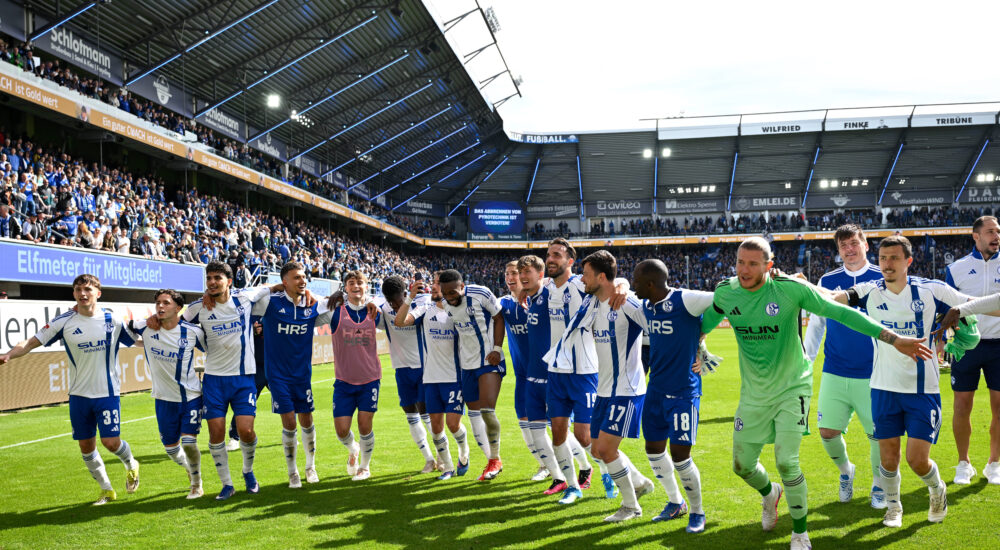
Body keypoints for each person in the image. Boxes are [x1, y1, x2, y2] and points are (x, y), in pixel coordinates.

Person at [700, 237, 933, 550]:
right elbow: (704, 322)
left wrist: (892, 338)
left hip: (792, 387)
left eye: (753, 263)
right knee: (741, 466)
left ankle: (800, 533)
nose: (744, 269)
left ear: (768, 266)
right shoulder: (726, 292)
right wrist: (698, 343)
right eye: (740, 262)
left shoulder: (789, 289)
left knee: (787, 461)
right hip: (753, 394)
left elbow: (841, 313)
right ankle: (771, 494)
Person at [820, 236, 984, 527]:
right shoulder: (869, 290)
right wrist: (798, 285)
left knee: (917, 460)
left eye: (894, 258)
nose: (887, 264)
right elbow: (831, 302)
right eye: (883, 258)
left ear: (909, 261)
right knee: (888, 459)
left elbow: (973, 304)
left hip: (923, 389)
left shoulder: (932, 289)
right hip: (883, 388)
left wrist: (963, 320)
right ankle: (894, 507)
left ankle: (936, 489)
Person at [0, 274, 139, 505]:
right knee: (86, 447)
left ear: (98, 293)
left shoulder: (112, 320)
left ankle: (131, 463)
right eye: (77, 290)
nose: (82, 294)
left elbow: (137, 341)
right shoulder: (63, 321)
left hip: (107, 392)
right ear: (73, 294)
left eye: (87, 289)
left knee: (111, 443)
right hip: (78, 395)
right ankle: (106, 490)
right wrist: (9, 355)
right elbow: (30, 342)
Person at [549, 250, 654, 519]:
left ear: (602, 276)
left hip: (627, 389)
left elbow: (659, 328)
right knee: (597, 449)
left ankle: (631, 506)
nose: (582, 279)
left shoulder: (627, 303)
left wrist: (697, 349)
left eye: (585, 274)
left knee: (607, 449)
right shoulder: (593, 304)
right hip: (603, 389)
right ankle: (640, 483)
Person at [174, 261, 274, 500]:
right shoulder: (198, 306)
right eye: (208, 278)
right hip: (214, 380)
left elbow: (273, 286)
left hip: (243, 378)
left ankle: (248, 472)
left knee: (246, 431)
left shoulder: (245, 298)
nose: (211, 282)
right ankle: (227, 484)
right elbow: (176, 322)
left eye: (217, 278)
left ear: (229, 281)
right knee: (216, 434)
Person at [802, 224, 886, 507]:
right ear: (838, 251)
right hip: (835, 370)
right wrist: (806, 362)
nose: (849, 250)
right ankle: (846, 471)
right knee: (827, 432)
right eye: (843, 246)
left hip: (874, 372)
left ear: (865, 244)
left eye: (854, 243)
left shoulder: (882, 277)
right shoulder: (828, 279)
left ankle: (879, 483)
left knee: (877, 434)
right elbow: (817, 323)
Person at [540, 239, 630, 500]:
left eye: (557, 255)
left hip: (584, 372)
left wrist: (623, 285)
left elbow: (611, 280)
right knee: (557, 432)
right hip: (556, 371)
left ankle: (606, 471)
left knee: (584, 434)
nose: (550, 259)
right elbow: (528, 281)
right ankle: (572, 487)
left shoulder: (582, 284)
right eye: (548, 255)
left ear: (570, 261)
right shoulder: (546, 288)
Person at [632, 259, 715, 533]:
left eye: (636, 281)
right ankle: (675, 502)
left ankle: (697, 512)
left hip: (683, 392)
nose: (633, 286)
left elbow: (722, 299)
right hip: (655, 390)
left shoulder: (685, 299)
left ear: (650, 284)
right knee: (653, 449)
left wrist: (703, 340)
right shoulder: (647, 306)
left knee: (681, 456)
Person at [252, 261, 330, 488]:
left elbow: (338, 304)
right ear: (285, 282)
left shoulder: (312, 305)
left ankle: (310, 466)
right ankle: (293, 472)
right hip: (277, 375)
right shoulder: (270, 303)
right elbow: (245, 297)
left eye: (304, 277)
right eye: (296, 277)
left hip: (302, 375)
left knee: (307, 420)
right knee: (289, 423)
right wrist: (271, 287)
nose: (302, 280)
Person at [125, 289, 207, 499]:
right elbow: (125, 327)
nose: (160, 307)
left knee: (189, 442)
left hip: (191, 397)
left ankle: (196, 484)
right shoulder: (146, 327)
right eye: (158, 303)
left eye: (166, 303)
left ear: (178, 308)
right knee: (171, 449)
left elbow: (214, 350)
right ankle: (189, 469)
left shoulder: (192, 332)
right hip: (163, 400)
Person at [395, 272, 472, 480]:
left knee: (453, 425)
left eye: (440, 283)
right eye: (434, 283)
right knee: (436, 429)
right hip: (430, 379)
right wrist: (409, 297)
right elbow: (400, 321)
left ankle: (464, 453)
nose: (435, 286)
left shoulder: (458, 311)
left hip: (454, 378)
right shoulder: (424, 309)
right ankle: (447, 467)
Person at [943, 215, 1000, 485]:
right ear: (975, 236)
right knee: (962, 406)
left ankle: (994, 463)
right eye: (990, 231)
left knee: (999, 407)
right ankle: (963, 463)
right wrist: (951, 341)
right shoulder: (956, 269)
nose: (996, 236)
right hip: (967, 348)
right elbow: (948, 312)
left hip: (999, 345)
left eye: (998, 231)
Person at [439, 269, 506, 481]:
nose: (450, 297)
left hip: (489, 360)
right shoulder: (445, 303)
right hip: (467, 366)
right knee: (475, 415)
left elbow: (499, 317)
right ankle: (491, 460)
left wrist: (496, 348)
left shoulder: (480, 293)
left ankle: (495, 459)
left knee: (487, 411)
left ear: (462, 286)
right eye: (445, 293)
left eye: (453, 292)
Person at [374, 275, 438, 474]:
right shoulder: (383, 308)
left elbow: (406, 320)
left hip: (423, 367)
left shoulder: (422, 303)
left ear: (405, 294)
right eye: (390, 301)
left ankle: (443, 456)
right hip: (401, 369)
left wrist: (409, 299)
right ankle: (429, 459)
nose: (393, 305)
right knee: (410, 414)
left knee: (425, 412)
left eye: (397, 300)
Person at [519, 255, 565, 494]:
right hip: (532, 376)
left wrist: (621, 284)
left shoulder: (551, 293)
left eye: (528, 272)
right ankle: (559, 478)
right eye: (520, 272)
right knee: (537, 434)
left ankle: (589, 469)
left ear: (541, 274)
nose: (523, 276)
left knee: (567, 433)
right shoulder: (533, 298)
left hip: (552, 375)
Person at [330, 270, 382, 481]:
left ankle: (364, 467)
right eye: (351, 283)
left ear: (366, 286)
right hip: (343, 381)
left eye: (360, 282)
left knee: (364, 425)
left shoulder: (376, 311)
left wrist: (376, 301)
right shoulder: (334, 312)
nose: (356, 286)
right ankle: (353, 449)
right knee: (342, 430)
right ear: (346, 287)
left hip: (370, 379)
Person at [500, 260, 549, 480]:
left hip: (548, 375)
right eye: (507, 273)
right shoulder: (502, 304)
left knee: (559, 424)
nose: (510, 277)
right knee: (523, 420)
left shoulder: (542, 299)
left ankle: (581, 467)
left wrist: (622, 285)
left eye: (515, 273)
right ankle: (544, 464)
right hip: (522, 376)